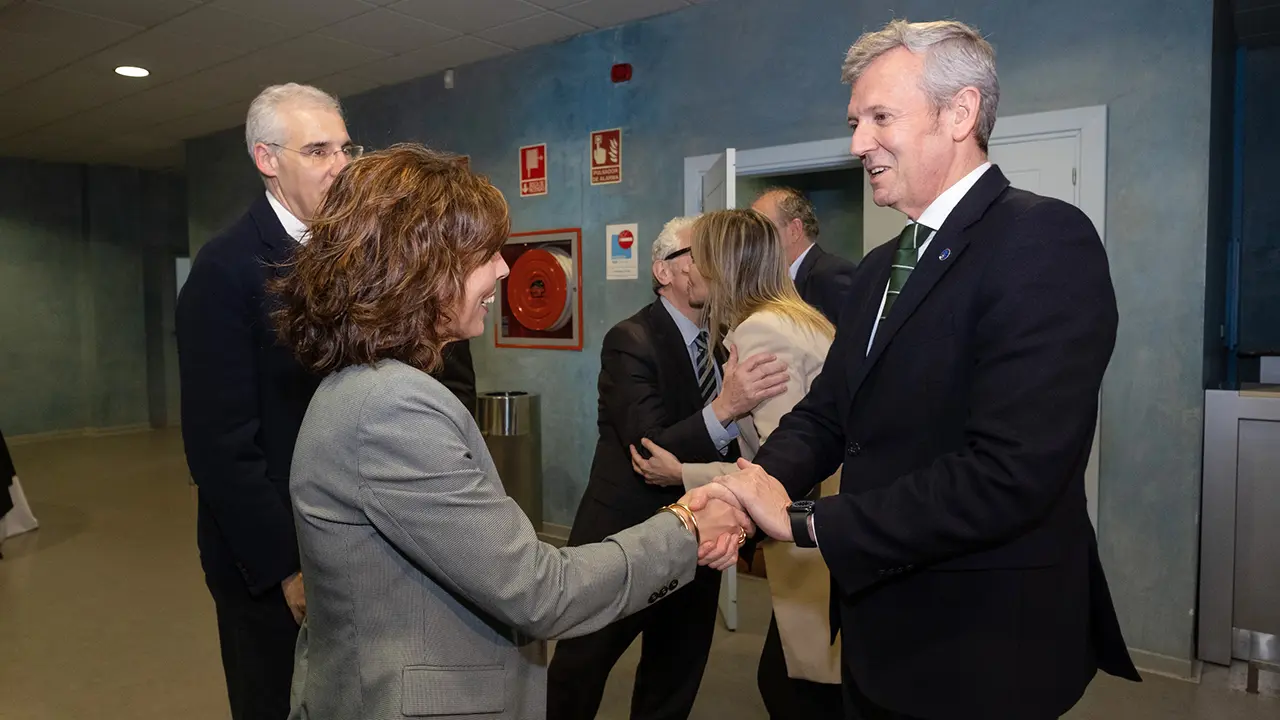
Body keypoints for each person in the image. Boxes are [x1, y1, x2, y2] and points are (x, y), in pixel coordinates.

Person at [708, 19, 1141, 720]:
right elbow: (828, 411)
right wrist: (750, 487)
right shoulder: (883, 265)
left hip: (983, 641)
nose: (857, 144)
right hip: (882, 625)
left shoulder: (1043, 240)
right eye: (855, 121)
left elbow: (1010, 473)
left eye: (881, 117)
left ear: (960, 112)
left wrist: (808, 522)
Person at [271, 144, 751, 720]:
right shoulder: (391, 408)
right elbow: (538, 591)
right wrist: (689, 525)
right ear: (416, 267)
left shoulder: (368, 385)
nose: (504, 267)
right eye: (482, 254)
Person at [545, 217, 790, 720]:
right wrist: (725, 408)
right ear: (664, 270)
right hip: (622, 534)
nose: (716, 264)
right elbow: (648, 446)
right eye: (701, 253)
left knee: (675, 676)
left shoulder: (730, 336)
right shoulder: (630, 338)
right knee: (580, 669)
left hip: (700, 531)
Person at [175, 82, 359, 720]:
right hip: (272, 562)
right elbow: (220, 448)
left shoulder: (349, 255)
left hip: (348, 541)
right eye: (317, 150)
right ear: (267, 159)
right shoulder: (225, 270)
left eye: (343, 147)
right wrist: (287, 568)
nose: (340, 164)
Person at [629, 209, 843, 719]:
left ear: (721, 266)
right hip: (829, 531)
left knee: (798, 686)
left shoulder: (763, 333)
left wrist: (683, 476)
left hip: (816, 540)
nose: (688, 270)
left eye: (696, 257)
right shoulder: (795, 318)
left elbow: (782, 469)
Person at [751, 187, 857, 324]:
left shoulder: (831, 275)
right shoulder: (768, 283)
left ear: (794, 230)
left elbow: (848, 339)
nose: (753, 238)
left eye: (762, 228)